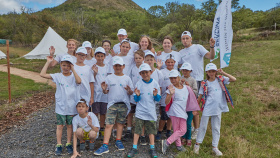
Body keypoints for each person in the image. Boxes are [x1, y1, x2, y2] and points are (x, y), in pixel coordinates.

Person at [40, 55, 81, 156]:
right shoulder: (58, 76)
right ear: (60, 65)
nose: (65, 67)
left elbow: (79, 81)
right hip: (61, 107)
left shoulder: (74, 76)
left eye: (68, 65)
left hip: (71, 107)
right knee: (60, 126)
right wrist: (48, 62)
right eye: (63, 65)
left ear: (71, 66)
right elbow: (42, 74)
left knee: (69, 126)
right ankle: (59, 144)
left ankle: (68, 143)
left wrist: (73, 70)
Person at [179, 31, 216, 139]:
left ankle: (197, 129)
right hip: (186, 81)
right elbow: (177, 64)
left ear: (191, 39)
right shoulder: (181, 52)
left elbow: (210, 56)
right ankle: (186, 128)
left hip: (198, 80)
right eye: (183, 39)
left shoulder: (198, 47)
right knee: (186, 105)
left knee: (195, 105)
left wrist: (212, 47)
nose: (185, 40)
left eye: (187, 38)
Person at [194, 63, 236, 156]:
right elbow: (200, 96)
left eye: (213, 71)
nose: (212, 73)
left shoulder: (221, 79)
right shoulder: (204, 83)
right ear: (207, 72)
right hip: (207, 107)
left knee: (216, 127)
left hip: (218, 108)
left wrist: (223, 72)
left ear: (216, 72)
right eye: (210, 71)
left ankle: (215, 146)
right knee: (203, 126)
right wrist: (196, 108)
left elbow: (234, 79)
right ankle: (197, 144)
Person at [94, 56, 134, 156]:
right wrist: (104, 89)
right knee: (109, 124)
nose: (118, 67)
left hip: (123, 104)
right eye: (116, 65)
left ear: (123, 66)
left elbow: (131, 92)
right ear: (113, 66)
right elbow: (106, 91)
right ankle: (105, 145)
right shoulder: (109, 77)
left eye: (119, 65)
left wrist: (129, 90)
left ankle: (118, 140)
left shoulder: (127, 78)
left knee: (120, 123)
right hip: (112, 104)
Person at [161, 69, 200, 154]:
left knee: (181, 130)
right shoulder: (171, 89)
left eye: (175, 78)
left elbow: (192, 99)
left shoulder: (187, 88)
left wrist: (194, 109)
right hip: (174, 112)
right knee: (180, 130)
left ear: (179, 78)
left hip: (182, 112)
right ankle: (177, 145)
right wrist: (170, 94)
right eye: (171, 79)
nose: (173, 80)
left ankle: (168, 142)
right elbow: (166, 102)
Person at [127, 63, 161, 158]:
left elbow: (158, 99)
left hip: (151, 112)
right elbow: (136, 100)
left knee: (151, 131)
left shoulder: (155, 83)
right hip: (140, 112)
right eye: (142, 73)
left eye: (146, 72)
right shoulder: (138, 84)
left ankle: (152, 148)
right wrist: (137, 95)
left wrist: (155, 95)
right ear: (140, 74)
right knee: (137, 130)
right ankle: (134, 148)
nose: (145, 74)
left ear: (150, 72)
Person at [124, 50, 145, 140]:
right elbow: (129, 78)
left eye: (140, 58)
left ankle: (141, 132)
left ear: (143, 59)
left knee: (141, 114)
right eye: (136, 58)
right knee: (130, 112)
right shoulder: (132, 68)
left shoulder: (145, 68)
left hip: (142, 94)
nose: (138, 60)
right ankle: (129, 130)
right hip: (133, 94)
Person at [156, 54, 177, 141]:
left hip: (174, 98)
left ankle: (168, 130)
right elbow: (159, 84)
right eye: (168, 62)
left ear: (174, 62)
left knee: (171, 116)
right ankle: (160, 131)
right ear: (165, 63)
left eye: (172, 62)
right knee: (163, 116)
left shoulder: (177, 72)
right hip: (165, 98)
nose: (170, 64)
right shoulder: (162, 72)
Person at [91, 47, 110, 140]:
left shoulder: (107, 66)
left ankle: (102, 128)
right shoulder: (93, 67)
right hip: (95, 93)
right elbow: (91, 80)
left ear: (104, 56)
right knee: (95, 112)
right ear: (95, 56)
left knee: (103, 112)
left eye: (102, 56)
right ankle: (95, 129)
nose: (100, 58)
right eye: (98, 56)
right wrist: (94, 73)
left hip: (105, 93)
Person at [180, 62, 198, 147]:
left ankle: (189, 138)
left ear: (190, 71)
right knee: (183, 122)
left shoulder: (193, 80)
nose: (185, 72)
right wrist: (180, 84)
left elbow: (195, 92)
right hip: (182, 104)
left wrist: (188, 86)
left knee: (188, 123)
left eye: (187, 70)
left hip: (190, 104)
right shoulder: (180, 79)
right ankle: (183, 137)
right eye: (183, 70)